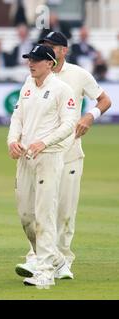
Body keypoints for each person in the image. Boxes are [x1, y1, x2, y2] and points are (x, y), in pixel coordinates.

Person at [16, 32, 112, 280]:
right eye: (44, 45)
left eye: (52, 46)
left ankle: (63, 260)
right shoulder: (35, 78)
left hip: (69, 153)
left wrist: (90, 117)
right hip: (40, 155)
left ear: (64, 50)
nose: (47, 49)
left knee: (64, 211)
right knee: (38, 210)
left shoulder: (78, 75)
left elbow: (104, 99)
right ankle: (38, 258)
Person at [8, 44, 78, 287]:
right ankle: (57, 259)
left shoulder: (62, 89)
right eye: (29, 59)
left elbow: (69, 124)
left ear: (50, 63)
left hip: (48, 157)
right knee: (26, 217)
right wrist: (12, 141)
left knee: (44, 214)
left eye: (37, 60)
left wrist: (43, 142)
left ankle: (45, 271)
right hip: (25, 157)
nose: (31, 63)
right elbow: (17, 117)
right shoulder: (27, 87)